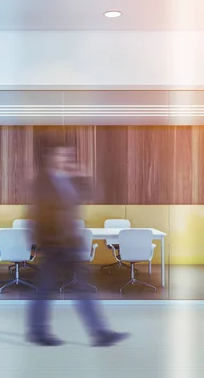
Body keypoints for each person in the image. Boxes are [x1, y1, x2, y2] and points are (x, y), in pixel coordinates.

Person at [26, 143, 130, 347]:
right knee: (46, 290)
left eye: (69, 155)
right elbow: (35, 215)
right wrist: (40, 244)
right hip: (53, 246)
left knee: (79, 289)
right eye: (62, 154)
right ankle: (39, 331)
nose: (66, 158)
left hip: (70, 244)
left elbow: (92, 195)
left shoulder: (69, 180)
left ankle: (99, 333)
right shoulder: (41, 182)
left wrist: (82, 175)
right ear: (50, 157)